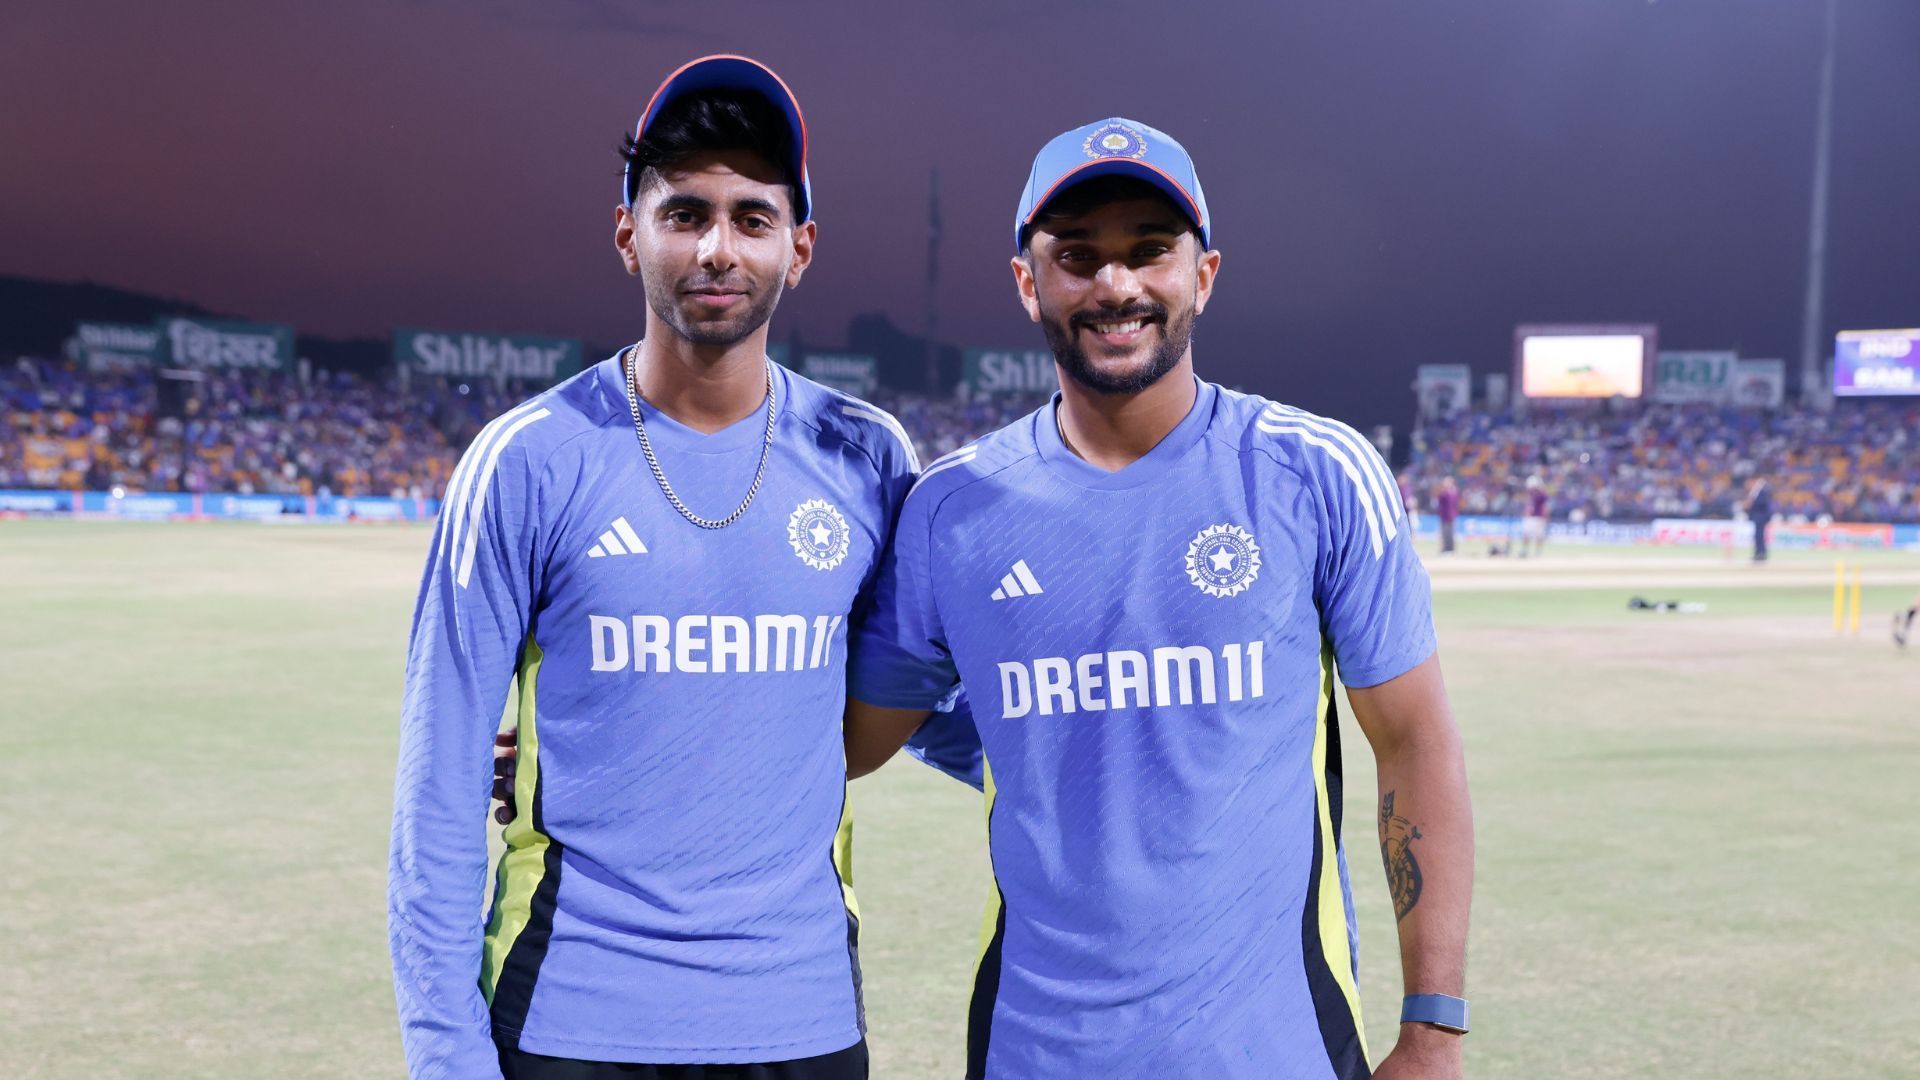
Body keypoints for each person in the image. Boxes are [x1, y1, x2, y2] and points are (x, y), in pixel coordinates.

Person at [841, 120, 1473, 1079]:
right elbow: (849, 732)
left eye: (1148, 252)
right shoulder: (951, 511)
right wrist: (570, 736)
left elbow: (1414, 740)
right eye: (1078, 257)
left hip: (1278, 1051)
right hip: (1034, 1051)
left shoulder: (1315, 472)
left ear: (1204, 274)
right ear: (1028, 282)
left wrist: (1432, 1028)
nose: (1116, 285)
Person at [390, 55, 932, 1079]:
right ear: (627, 232)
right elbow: (438, 785)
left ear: (800, 247)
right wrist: (445, 1058)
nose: (717, 248)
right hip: (571, 1022)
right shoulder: (527, 462)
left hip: (805, 1021)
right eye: (684, 212)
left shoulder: (870, 460)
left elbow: (925, 703)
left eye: (751, 217)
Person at [1520, 474, 1549, 558]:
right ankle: (1525, 551)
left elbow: (1544, 507)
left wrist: (1544, 517)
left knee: (1539, 536)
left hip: (1538, 517)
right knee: (1526, 534)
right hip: (1530, 518)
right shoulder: (1531, 494)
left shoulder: (1542, 495)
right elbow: (1528, 506)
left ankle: (1538, 552)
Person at [1745, 477, 1773, 563]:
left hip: (1760, 517)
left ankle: (1761, 554)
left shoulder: (1761, 492)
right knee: (1758, 536)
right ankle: (1758, 553)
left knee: (1759, 536)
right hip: (1757, 517)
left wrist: (1751, 503)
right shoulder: (1755, 493)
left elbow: (1762, 504)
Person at [1435, 474, 1460, 555]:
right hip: (1444, 515)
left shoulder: (1452, 492)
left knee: (1450, 533)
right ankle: (1446, 548)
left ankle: (1451, 549)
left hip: (1450, 515)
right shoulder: (1445, 492)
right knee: (1445, 533)